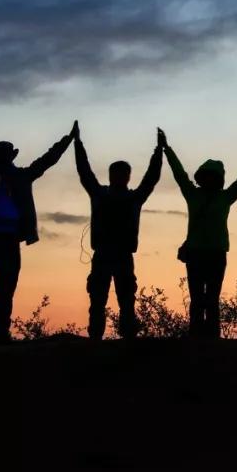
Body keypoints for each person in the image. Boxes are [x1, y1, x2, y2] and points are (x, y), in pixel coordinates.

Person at [0, 97, 76, 341]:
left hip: (8, 242)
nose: (9, 158)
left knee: (4, 293)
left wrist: (66, 140)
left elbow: (46, 160)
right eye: (6, 155)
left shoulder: (20, 177)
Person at [162, 131, 237, 338]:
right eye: (207, 176)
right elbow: (179, 173)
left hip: (215, 253)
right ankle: (198, 337)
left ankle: (210, 338)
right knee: (198, 299)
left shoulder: (223, 197)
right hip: (199, 253)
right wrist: (167, 149)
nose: (209, 179)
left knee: (210, 299)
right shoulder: (195, 194)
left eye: (212, 176)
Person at [73, 123, 164, 340]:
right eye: (118, 173)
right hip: (105, 254)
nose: (121, 177)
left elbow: (151, 178)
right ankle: (96, 337)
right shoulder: (102, 194)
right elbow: (84, 171)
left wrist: (158, 152)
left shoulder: (132, 198)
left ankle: (127, 338)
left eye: (124, 174)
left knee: (125, 300)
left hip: (122, 255)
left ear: (127, 176)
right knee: (98, 299)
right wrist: (77, 144)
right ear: (113, 175)